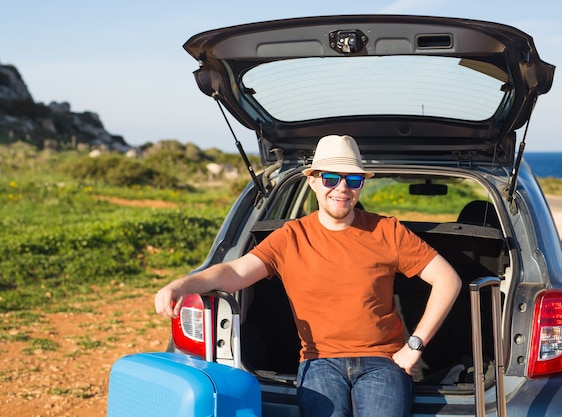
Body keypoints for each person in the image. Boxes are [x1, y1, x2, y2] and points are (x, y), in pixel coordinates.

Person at [155, 134, 461, 417]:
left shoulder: (387, 231)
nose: (342, 188)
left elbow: (448, 279)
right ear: (313, 181)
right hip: (319, 362)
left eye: (353, 180)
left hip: (382, 362)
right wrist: (183, 284)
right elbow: (235, 271)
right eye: (330, 178)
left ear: (361, 185)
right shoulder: (290, 237)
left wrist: (414, 347)